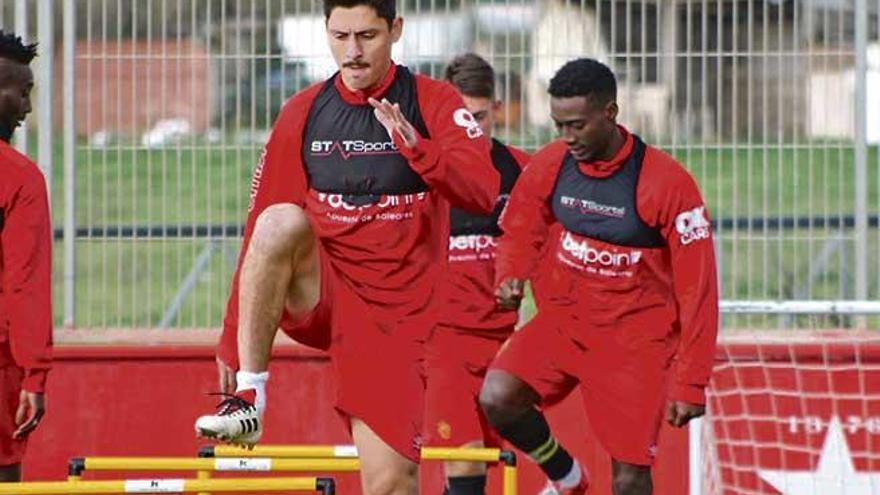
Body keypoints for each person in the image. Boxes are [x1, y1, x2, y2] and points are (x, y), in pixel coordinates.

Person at [194, 1, 500, 494]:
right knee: (278, 222)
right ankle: (250, 398)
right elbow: (258, 230)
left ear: (395, 30)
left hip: (394, 322)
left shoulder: (435, 102)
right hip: (325, 291)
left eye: (367, 36)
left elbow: (482, 191)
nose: (353, 52)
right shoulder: (303, 111)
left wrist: (419, 149)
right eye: (340, 36)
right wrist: (233, 338)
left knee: (391, 483)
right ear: (326, 32)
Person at [479, 58, 719, 495]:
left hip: (632, 347)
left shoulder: (666, 184)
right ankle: (568, 479)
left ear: (610, 113)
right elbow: (521, 226)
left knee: (628, 480)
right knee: (497, 397)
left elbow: (699, 290)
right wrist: (510, 274)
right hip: (563, 328)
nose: (567, 138)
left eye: (577, 125)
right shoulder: (553, 163)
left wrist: (691, 381)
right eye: (558, 126)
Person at [423, 53, 530, 495]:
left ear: (498, 110)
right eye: (461, 118)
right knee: (464, 466)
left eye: (480, 117)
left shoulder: (526, 173)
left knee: (482, 470)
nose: (471, 129)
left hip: (502, 349)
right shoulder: (423, 175)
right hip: (442, 344)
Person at [0, 30, 52, 483]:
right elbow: (25, 284)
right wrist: (35, 376)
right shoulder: (19, 179)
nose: (28, 108)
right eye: (22, 92)